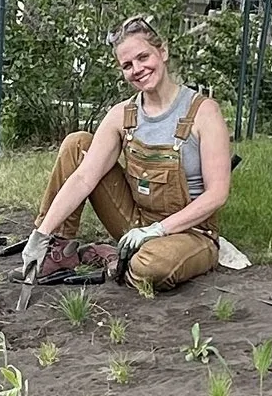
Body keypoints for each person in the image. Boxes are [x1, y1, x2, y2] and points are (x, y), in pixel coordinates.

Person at [18, 17, 231, 296]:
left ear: (162, 52)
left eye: (143, 57)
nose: (138, 69)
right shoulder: (123, 114)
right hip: (135, 223)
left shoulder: (204, 112)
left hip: (190, 232)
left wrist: (158, 230)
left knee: (149, 268)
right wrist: (41, 234)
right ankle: (58, 252)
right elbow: (84, 177)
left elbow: (217, 194)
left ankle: (115, 259)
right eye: (127, 65)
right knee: (78, 144)